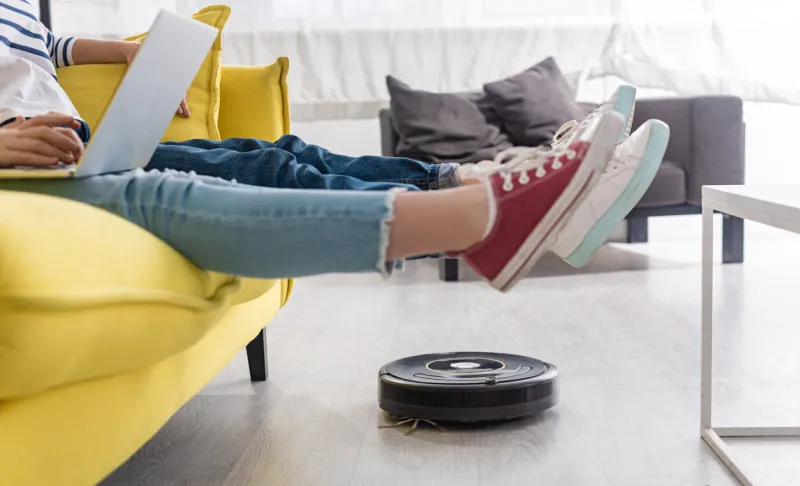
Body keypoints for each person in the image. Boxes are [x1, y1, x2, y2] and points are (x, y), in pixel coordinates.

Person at [0, 1, 666, 290]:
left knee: (283, 153)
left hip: (69, 141)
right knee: (240, 174)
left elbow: (37, 46)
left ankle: (493, 183)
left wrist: (124, 52)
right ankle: (498, 214)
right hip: (29, 160)